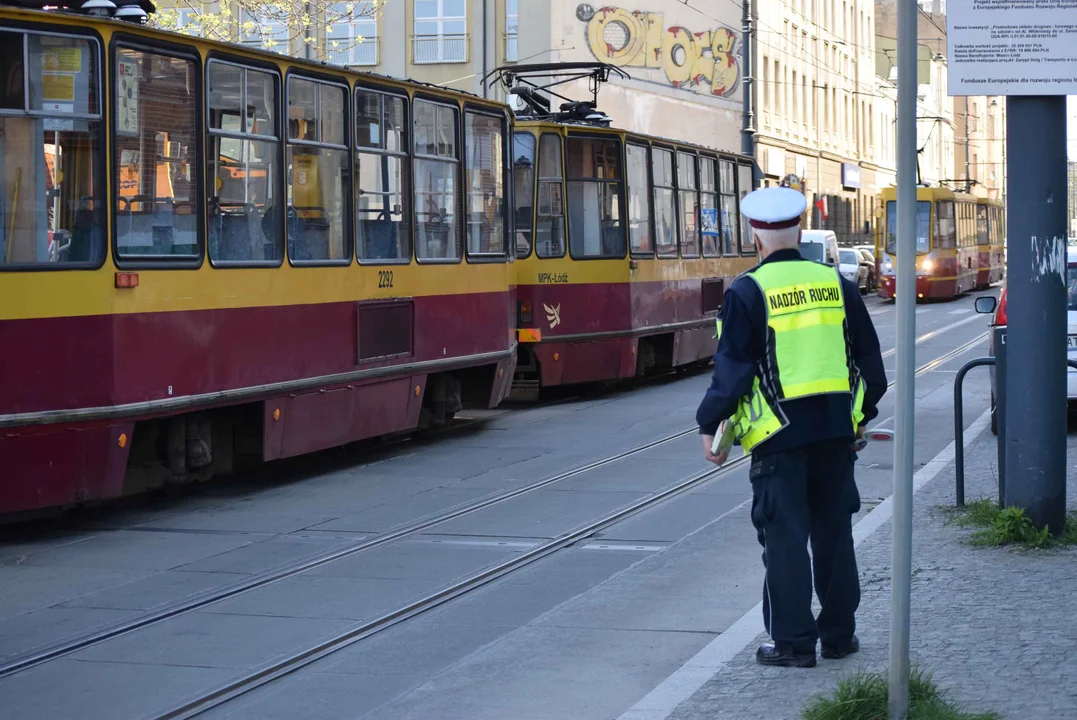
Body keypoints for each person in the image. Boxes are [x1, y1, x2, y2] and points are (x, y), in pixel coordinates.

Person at [696, 186, 887, 669]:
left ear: (754, 235)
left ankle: (795, 644)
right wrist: (858, 418)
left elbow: (733, 372)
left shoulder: (747, 291)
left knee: (784, 541)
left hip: (779, 438)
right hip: (835, 435)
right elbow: (871, 366)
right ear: (800, 229)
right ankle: (840, 636)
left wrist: (710, 425)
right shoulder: (837, 284)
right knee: (834, 536)